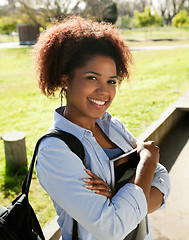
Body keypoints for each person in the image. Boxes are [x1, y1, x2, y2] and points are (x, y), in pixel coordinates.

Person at [33, 16, 170, 240]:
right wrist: (146, 161)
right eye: (92, 78)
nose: (103, 91)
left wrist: (117, 198)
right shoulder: (55, 152)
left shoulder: (112, 126)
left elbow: (163, 182)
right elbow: (112, 229)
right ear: (66, 79)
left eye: (111, 81)